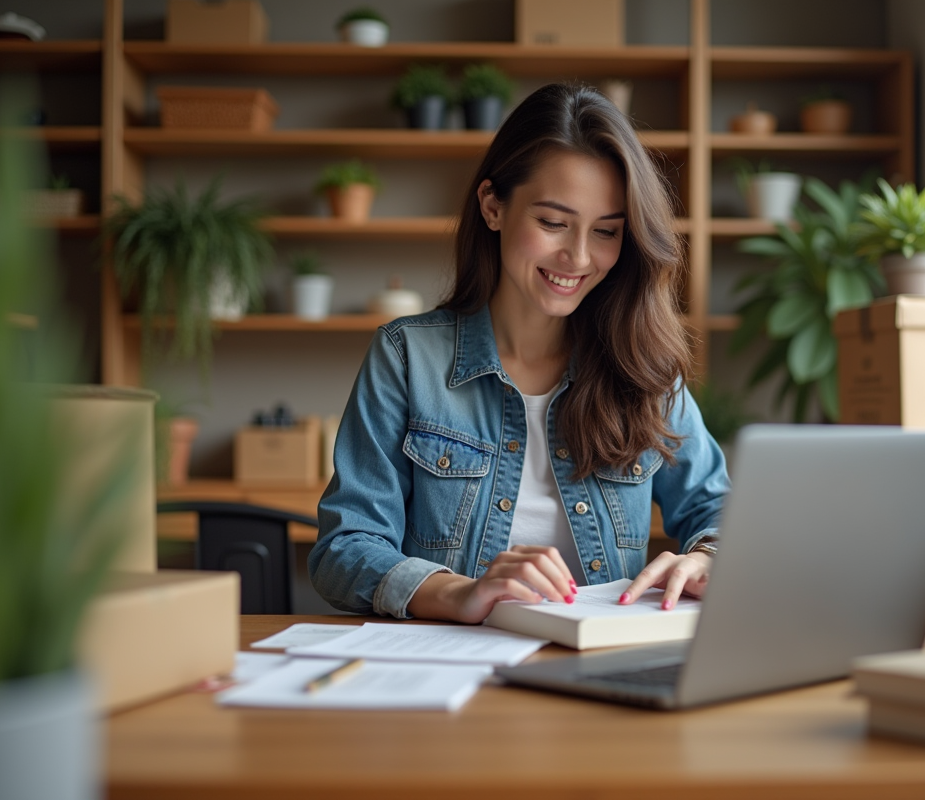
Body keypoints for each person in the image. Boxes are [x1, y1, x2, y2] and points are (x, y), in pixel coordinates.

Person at [310, 83, 730, 623]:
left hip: (602, 665)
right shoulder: (409, 357)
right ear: (493, 206)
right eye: (552, 223)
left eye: (605, 232)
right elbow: (343, 549)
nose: (578, 257)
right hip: (456, 669)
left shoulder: (641, 365)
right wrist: (458, 593)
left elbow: (717, 507)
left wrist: (708, 558)